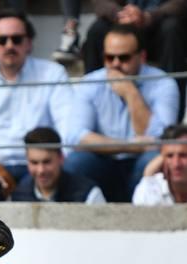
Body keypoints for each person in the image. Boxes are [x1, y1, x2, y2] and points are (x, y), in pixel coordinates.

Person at [0, 10, 72, 191]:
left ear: (29, 43)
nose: (9, 45)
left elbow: (67, 127)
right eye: (2, 40)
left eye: (16, 39)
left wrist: (53, 165)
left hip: (41, 167)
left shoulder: (53, 74)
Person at [63, 24, 180, 202]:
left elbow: (158, 139)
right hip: (104, 160)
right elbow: (76, 136)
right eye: (110, 58)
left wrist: (130, 92)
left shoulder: (163, 83)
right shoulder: (90, 83)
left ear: (142, 57)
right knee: (76, 161)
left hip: (140, 161)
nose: (116, 64)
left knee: (154, 159)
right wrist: (129, 145)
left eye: (124, 58)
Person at [82, 0, 187, 76]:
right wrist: (120, 14)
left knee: (172, 28)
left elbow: (183, 4)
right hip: (122, 22)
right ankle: (92, 94)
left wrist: (148, 17)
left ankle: (174, 101)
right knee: (97, 30)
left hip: (160, 26)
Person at [12, 126, 107, 202]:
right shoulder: (18, 195)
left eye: (47, 162)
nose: (41, 170)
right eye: (34, 163)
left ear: (61, 158)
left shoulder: (89, 194)